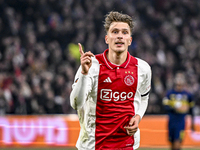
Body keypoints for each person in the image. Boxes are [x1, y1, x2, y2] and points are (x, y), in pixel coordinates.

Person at [70, 11, 152, 150]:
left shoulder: (142, 68)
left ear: (130, 40)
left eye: (125, 32)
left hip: (127, 144)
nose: (120, 35)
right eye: (115, 31)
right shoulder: (92, 65)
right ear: (107, 38)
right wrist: (84, 73)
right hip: (93, 144)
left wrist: (137, 117)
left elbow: (144, 98)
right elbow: (75, 104)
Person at [163, 72, 195, 150]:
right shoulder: (170, 93)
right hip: (171, 120)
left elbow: (191, 110)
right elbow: (165, 106)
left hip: (181, 121)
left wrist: (192, 123)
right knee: (172, 142)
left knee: (178, 142)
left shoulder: (188, 95)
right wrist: (175, 108)